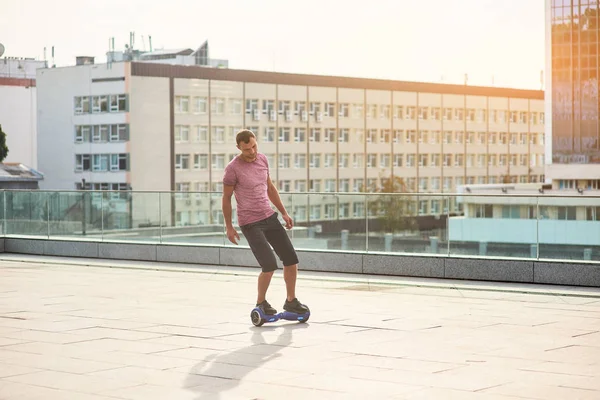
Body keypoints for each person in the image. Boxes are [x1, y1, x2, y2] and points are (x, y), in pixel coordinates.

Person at [222, 129, 309, 316]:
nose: (252, 152)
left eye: (254, 146)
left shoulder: (262, 159)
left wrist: (284, 212)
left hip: (269, 216)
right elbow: (226, 198)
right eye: (247, 149)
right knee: (269, 264)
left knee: (291, 259)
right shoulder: (232, 168)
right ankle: (261, 303)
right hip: (250, 223)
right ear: (238, 148)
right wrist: (229, 227)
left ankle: (291, 301)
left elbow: (269, 187)